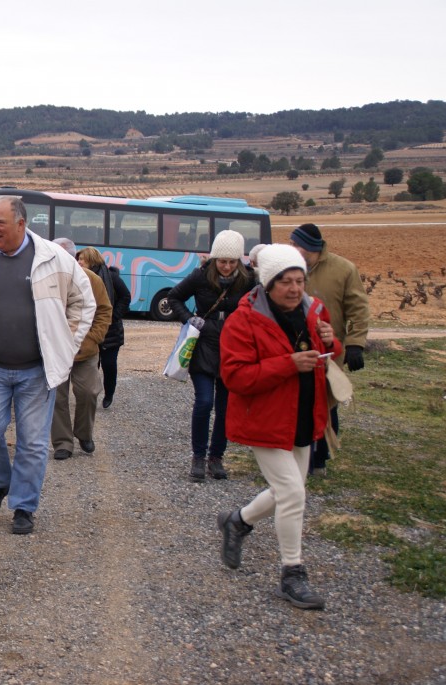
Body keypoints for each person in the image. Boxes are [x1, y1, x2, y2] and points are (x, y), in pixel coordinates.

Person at [0, 196, 95, 534]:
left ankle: (24, 506)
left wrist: (66, 343)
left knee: (32, 441)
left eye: (0, 223)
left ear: (21, 225)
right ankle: (0, 482)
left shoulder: (55, 259)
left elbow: (84, 303)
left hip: (36, 370)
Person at [217, 243, 341, 610]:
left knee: (288, 490)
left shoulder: (315, 312)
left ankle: (237, 521)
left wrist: (332, 343)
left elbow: (325, 358)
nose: (294, 288)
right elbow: (235, 376)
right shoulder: (244, 320)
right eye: (285, 281)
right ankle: (292, 574)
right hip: (264, 421)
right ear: (268, 284)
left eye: (300, 280)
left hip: (304, 416)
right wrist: (289, 364)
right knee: (293, 494)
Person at [167, 230, 255, 482]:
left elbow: (262, 304)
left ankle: (217, 457)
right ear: (214, 259)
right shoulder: (200, 276)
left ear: (239, 261)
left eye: (232, 262)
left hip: (234, 346)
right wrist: (188, 319)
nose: (226, 267)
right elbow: (174, 297)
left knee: (225, 406)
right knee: (204, 401)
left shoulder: (249, 279)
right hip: (204, 343)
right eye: (222, 261)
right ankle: (198, 456)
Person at [290, 223, 370, 476]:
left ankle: (321, 457)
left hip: (329, 349)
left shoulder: (344, 269)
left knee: (327, 402)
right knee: (298, 401)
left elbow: (358, 308)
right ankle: (296, 454)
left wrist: (355, 343)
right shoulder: (290, 268)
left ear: (308, 247)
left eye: (296, 244)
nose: (291, 248)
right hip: (295, 348)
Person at [51, 238, 111, 460]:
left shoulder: (92, 280)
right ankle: (62, 443)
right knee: (57, 397)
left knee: (88, 391)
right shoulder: (47, 279)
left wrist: (94, 338)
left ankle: (84, 433)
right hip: (56, 350)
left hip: (85, 351)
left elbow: (105, 310)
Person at [76, 246, 130, 409]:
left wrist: (113, 316)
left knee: (109, 364)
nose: (78, 262)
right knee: (92, 364)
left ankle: (109, 393)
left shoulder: (111, 277)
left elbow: (125, 296)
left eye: (82, 259)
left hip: (111, 331)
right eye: (78, 259)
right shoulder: (79, 277)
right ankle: (92, 394)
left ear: (91, 261)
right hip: (89, 329)